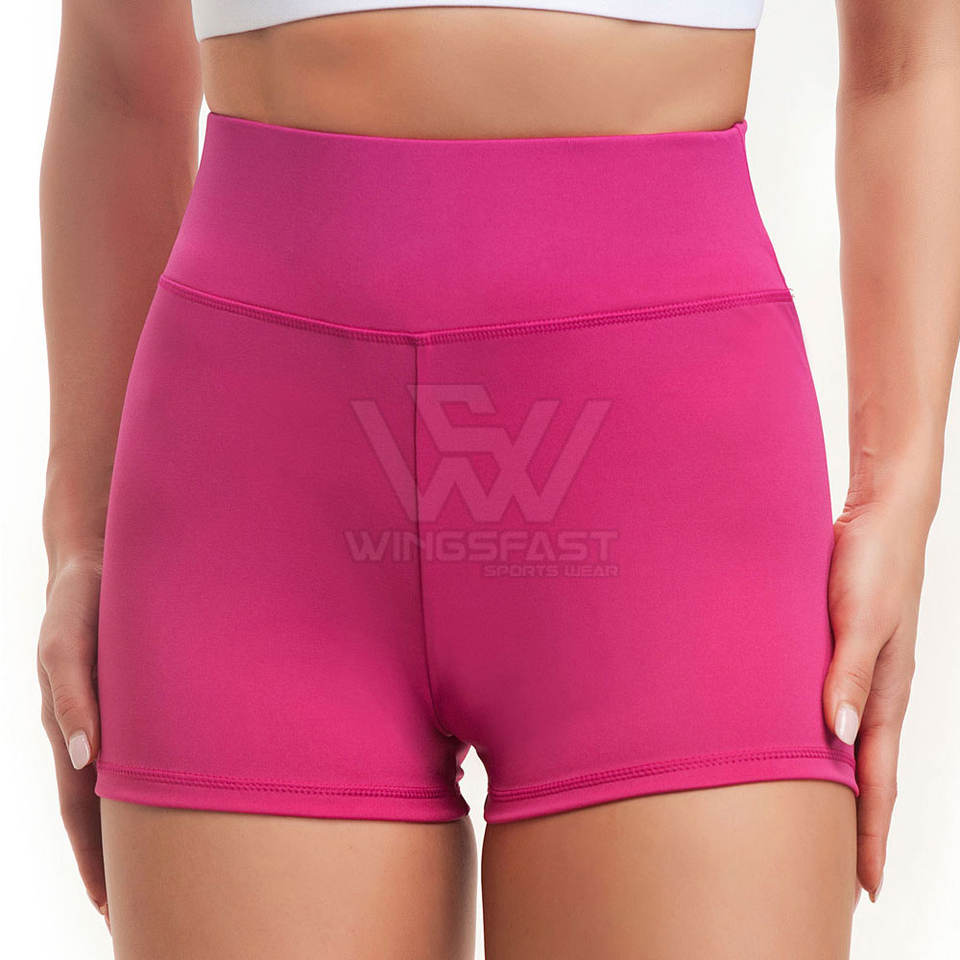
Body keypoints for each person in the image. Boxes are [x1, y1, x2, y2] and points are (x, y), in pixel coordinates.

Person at [37, 1, 959, 957]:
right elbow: (120, 78)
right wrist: (82, 537)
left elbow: (909, 61)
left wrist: (899, 495)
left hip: (673, 497)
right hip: (252, 504)